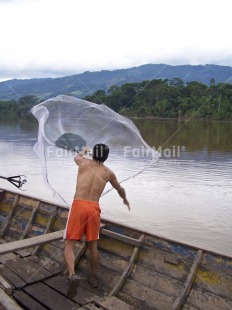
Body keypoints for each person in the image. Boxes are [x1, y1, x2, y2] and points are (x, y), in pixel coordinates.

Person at [63, 143, 130, 298]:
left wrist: (83, 150)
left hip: (78, 205)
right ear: (106, 157)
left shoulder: (83, 162)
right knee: (93, 245)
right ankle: (92, 278)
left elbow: (76, 157)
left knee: (69, 244)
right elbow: (120, 189)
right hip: (93, 208)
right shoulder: (108, 173)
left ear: (93, 155)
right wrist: (125, 200)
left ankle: (72, 275)